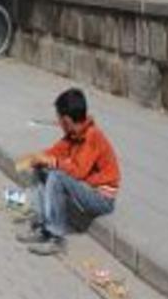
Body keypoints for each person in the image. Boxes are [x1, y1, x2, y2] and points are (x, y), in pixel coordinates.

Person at [15, 88, 120, 256]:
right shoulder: (74, 134)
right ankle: (43, 227)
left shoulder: (92, 137)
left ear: (67, 120)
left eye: (59, 119)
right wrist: (37, 158)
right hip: (86, 188)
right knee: (42, 170)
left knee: (56, 176)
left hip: (101, 198)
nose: (58, 123)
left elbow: (78, 171)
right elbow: (56, 151)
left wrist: (52, 162)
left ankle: (56, 237)